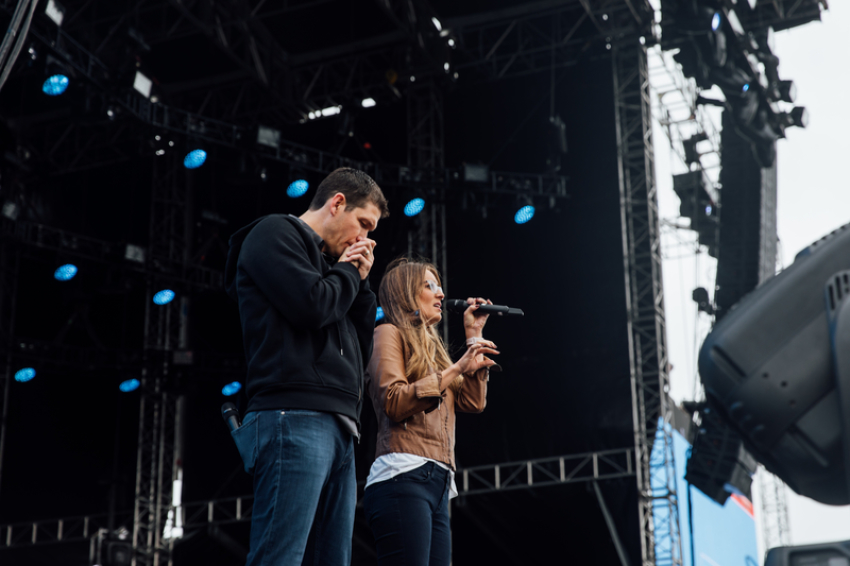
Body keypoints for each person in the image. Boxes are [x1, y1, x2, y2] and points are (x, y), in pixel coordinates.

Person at [223, 167, 389, 565]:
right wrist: (348, 271)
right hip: (293, 415)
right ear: (337, 203)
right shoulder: (274, 233)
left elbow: (360, 333)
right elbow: (312, 307)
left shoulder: (336, 266)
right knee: (280, 556)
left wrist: (359, 279)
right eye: (363, 224)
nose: (364, 239)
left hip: (341, 425)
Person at [363, 258, 501, 566]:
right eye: (429, 286)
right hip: (402, 474)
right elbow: (394, 401)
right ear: (406, 294)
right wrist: (456, 368)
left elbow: (473, 403)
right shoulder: (387, 333)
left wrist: (473, 335)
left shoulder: (434, 350)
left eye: (439, 286)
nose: (440, 294)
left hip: (438, 480)